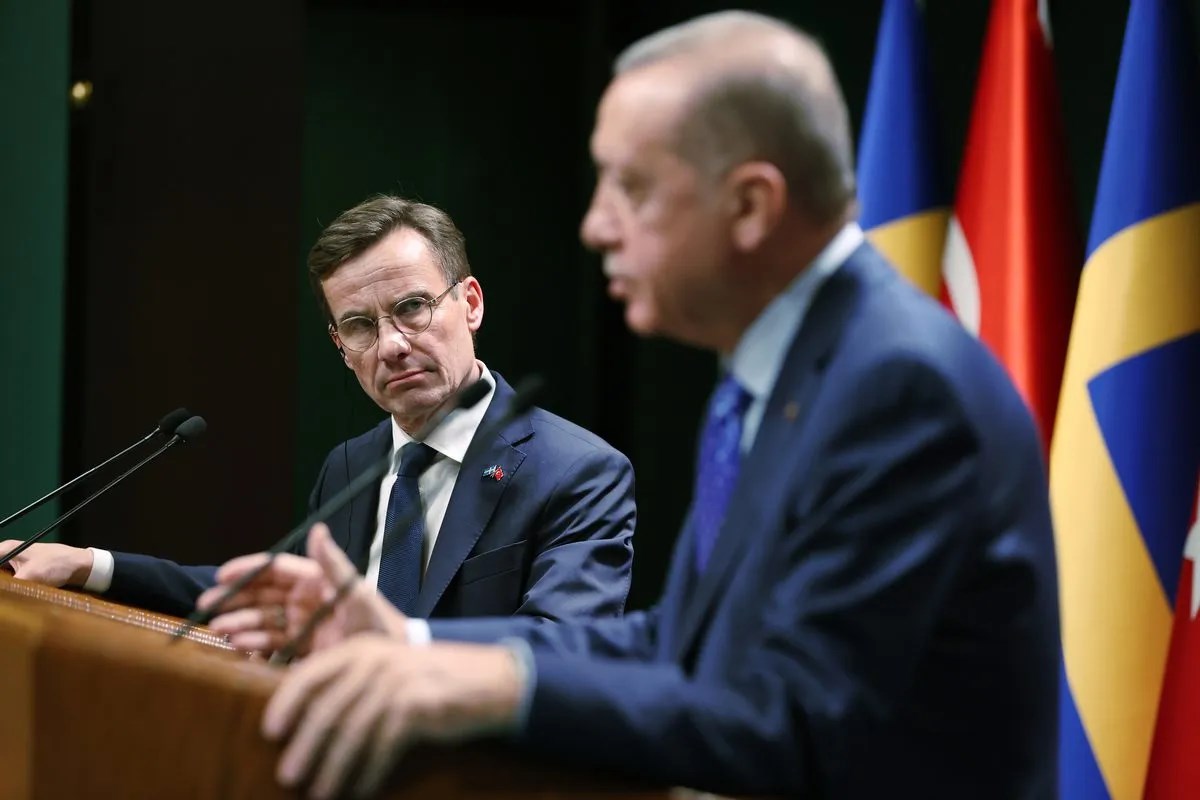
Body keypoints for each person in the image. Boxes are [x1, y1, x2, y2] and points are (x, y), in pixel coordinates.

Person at [203, 11, 1060, 799]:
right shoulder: (788, 372)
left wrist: (496, 690)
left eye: (631, 187)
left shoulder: (894, 387)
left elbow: (794, 720)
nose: (596, 226)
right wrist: (415, 645)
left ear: (750, 205)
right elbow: (678, 641)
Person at [1, 196, 636, 629]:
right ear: (340, 346)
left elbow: (561, 645)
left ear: (469, 304)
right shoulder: (352, 466)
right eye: (359, 325)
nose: (391, 345)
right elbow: (278, 598)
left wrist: (391, 653)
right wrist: (89, 565)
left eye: (412, 308)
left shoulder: (575, 470)